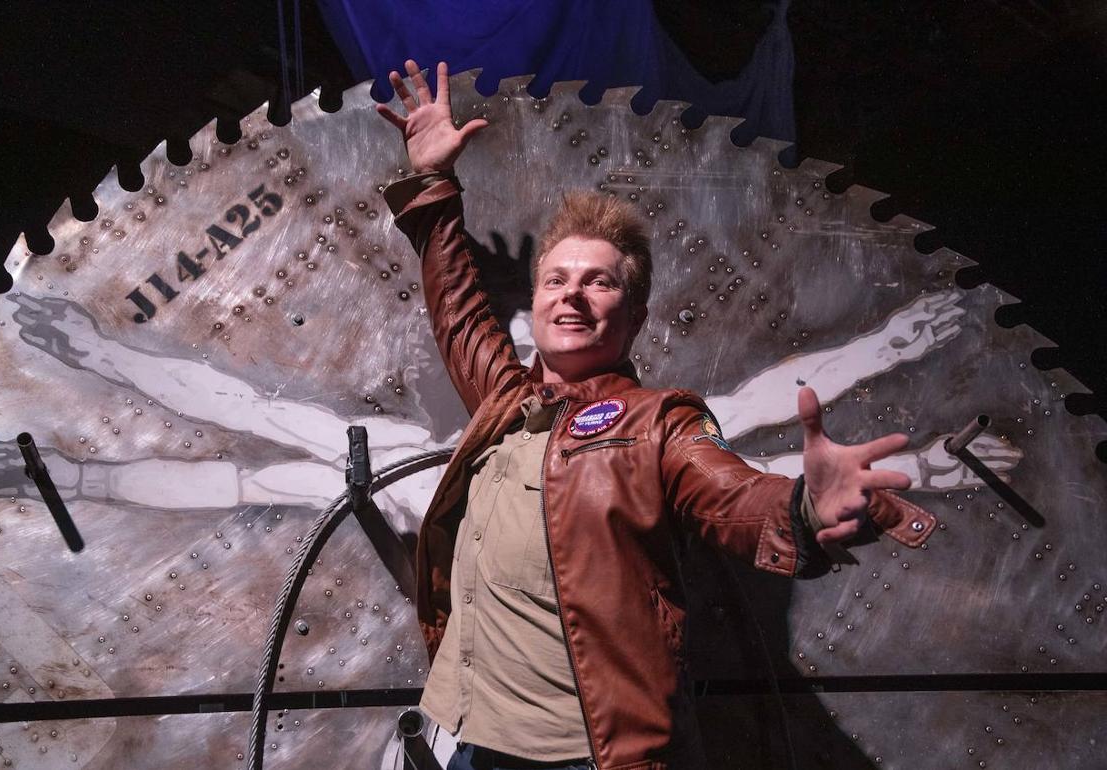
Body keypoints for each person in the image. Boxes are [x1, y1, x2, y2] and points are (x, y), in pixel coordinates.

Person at [378, 59, 935, 770]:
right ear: (538, 302)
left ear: (634, 315)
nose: (572, 294)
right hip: (469, 740)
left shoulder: (658, 423)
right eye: (556, 280)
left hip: (581, 758)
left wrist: (804, 509)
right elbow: (458, 308)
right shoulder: (505, 401)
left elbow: (732, 495)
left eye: (598, 282)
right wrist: (432, 182)